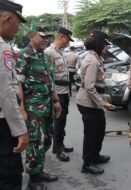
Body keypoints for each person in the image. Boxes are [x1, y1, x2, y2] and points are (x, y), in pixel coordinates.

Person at [16, 26, 62, 190]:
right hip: (32, 108)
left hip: (47, 106)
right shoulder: (23, 55)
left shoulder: (46, 56)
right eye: (42, 37)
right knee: (36, 142)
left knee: (47, 139)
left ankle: (39, 170)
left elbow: (50, 80)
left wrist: (56, 100)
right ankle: (33, 180)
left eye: (48, 37)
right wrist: (21, 108)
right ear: (31, 36)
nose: (46, 40)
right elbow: (18, 83)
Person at [76, 30, 116, 175]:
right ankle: (87, 164)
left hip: (93, 101)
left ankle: (95, 156)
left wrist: (102, 101)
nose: (106, 48)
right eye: (105, 45)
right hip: (88, 102)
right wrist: (104, 103)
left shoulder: (96, 58)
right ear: (99, 44)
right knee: (92, 133)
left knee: (99, 130)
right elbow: (89, 87)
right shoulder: (92, 61)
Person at [0, 1, 29, 189]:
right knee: (9, 176)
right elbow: (6, 93)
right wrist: (21, 131)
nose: (17, 30)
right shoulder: (3, 49)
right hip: (3, 125)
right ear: (8, 19)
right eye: (17, 25)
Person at [46, 27, 74, 162]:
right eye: (68, 40)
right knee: (58, 120)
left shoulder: (60, 52)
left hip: (64, 92)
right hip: (57, 92)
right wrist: (55, 96)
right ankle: (58, 148)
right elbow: (49, 77)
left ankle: (60, 144)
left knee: (62, 120)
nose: (68, 43)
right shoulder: (49, 52)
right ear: (61, 37)